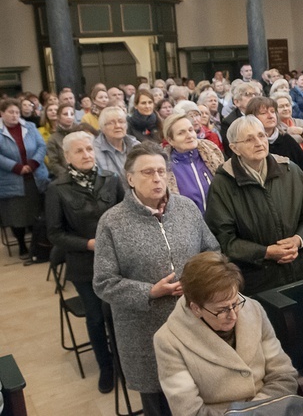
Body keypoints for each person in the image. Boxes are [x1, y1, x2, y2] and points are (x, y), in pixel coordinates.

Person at [94, 143, 219, 416]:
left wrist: (199, 279)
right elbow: (103, 282)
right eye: (148, 172)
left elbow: (212, 250)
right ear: (129, 178)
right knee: (160, 406)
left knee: (202, 399)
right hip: (144, 333)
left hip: (194, 321)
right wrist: (150, 291)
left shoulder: (186, 208)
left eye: (161, 171)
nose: (157, 178)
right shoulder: (112, 222)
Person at [153, 252, 297, 415]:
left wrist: (256, 411)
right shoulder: (168, 341)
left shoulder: (253, 309)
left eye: (235, 303)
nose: (234, 315)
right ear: (196, 308)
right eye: (221, 310)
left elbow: (284, 375)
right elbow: (189, 412)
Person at [205, 116, 303, 295]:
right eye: (249, 139)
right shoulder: (223, 184)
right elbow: (225, 240)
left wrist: (298, 240)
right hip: (258, 280)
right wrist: (266, 252)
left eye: (261, 136)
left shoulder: (290, 170)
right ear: (234, 148)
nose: (259, 142)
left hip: (301, 269)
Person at [46, 131, 124, 393]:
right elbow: (54, 234)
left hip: (117, 260)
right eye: (79, 151)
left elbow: (128, 213)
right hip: (83, 265)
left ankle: (124, 361)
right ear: (67, 157)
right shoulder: (57, 189)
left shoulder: (110, 179)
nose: (87, 155)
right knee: (95, 316)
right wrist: (88, 244)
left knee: (118, 312)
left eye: (89, 149)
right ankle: (106, 366)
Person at [0, 98, 49, 260]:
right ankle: (21, 244)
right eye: (10, 112)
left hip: (35, 176)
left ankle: (38, 244)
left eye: (17, 112)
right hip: (11, 177)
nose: (15, 115)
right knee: (17, 214)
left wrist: (34, 162)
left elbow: (42, 146)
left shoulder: (30, 126)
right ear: (2, 113)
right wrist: (16, 167)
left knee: (37, 212)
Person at [245, 97, 303, 186]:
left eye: (272, 111)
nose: (270, 116)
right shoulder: (249, 145)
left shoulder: (286, 139)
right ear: (252, 117)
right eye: (263, 113)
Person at [162, 114, 223, 215]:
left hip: (219, 225)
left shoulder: (212, 153)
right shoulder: (165, 168)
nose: (189, 136)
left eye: (190, 130)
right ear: (170, 140)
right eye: (181, 133)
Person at [94, 107, 140, 179]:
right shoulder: (94, 151)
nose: (118, 126)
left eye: (121, 121)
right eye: (111, 123)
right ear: (102, 128)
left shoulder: (136, 146)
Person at [220, 82, 261, 160]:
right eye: (248, 94)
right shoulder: (229, 122)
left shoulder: (262, 115)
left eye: (255, 94)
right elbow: (231, 152)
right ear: (236, 102)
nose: (253, 97)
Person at [271, 92, 303, 162]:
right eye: (281, 106)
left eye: (287, 105)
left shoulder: (301, 123)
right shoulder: (274, 129)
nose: (285, 108)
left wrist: (302, 132)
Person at [46, 102, 80, 178]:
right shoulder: (53, 139)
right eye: (65, 114)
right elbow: (53, 163)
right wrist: (68, 176)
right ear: (58, 116)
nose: (69, 117)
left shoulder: (81, 133)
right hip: (66, 177)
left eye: (72, 114)